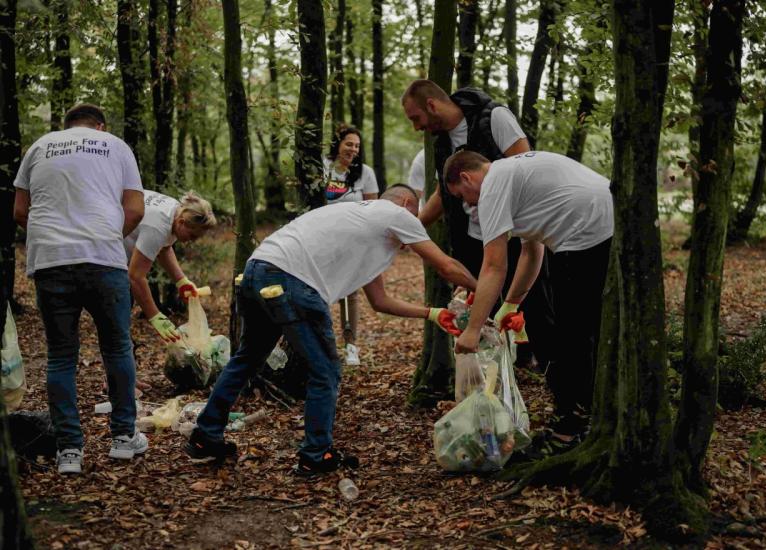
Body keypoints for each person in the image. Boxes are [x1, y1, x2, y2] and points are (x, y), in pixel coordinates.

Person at [185, 185, 477, 474]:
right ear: (404, 203)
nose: (416, 225)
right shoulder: (394, 213)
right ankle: (316, 454)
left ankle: (205, 436)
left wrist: (433, 314)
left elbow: (380, 301)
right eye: (416, 215)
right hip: (293, 279)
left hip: (257, 268)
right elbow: (447, 267)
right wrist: (487, 291)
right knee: (324, 370)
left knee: (247, 358)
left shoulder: (362, 224)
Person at [443, 150, 613, 444]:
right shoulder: (513, 173)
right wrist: (510, 303)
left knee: (572, 335)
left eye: (462, 194)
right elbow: (532, 250)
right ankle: (590, 416)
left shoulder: (493, 186)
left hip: (585, 231)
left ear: (466, 177)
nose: (466, 203)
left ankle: (569, 430)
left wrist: (472, 332)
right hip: (604, 220)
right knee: (586, 329)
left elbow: (494, 265)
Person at [13, 103, 147, 475]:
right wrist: (103, 238)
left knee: (60, 356)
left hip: (51, 261)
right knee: (117, 346)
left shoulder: (39, 147)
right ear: (99, 126)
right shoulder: (115, 146)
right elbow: (135, 210)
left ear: (65, 125)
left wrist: (55, 241)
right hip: (103, 258)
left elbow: (20, 211)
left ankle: (69, 450)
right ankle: (123, 437)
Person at [401, 79, 554, 371]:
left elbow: (527, 168)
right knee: (486, 309)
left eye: (416, 118)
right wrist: (412, 228)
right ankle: (498, 379)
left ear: (431, 105)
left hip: (514, 235)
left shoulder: (493, 118)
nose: (416, 127)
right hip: (474, 240)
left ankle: (550, 371)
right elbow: (442, 194)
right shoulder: (442, 142)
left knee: (533, 304)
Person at [125, 190, 217, 342]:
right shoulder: (158, 226)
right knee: (118, 330)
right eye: (192, 236)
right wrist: (155, 316)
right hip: (101, 254)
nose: (192, 241)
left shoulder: (175, 209)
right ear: (182, 222)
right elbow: (135, 276)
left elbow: (164, 247)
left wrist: (181, 281)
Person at [323, 125, 380, 366]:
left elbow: (372, 208)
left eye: (356, 146)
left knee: (350, 293)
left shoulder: (364, 173)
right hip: (324, 237)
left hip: (353, 240)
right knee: (322, 291)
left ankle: (351, 346)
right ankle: (323, 344)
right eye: (349, 144)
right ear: (338, 144)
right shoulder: (322, 167)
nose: (353, 149)